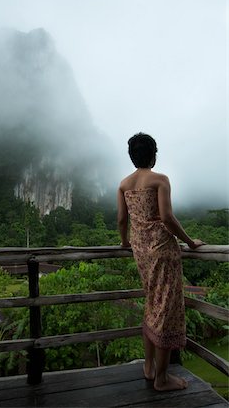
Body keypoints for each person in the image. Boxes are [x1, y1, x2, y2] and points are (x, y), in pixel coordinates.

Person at [117, 132, 205, 392]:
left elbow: (122, 220)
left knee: (152, 304)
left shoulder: (124, 184)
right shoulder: (160, 180)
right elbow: (167, 217)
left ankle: (149, 367)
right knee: (165, 310)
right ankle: (162, 378)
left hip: (141, 252)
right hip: (163, 251)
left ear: (132, 156)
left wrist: (124, 242)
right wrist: (189, 242)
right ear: (153, 154)